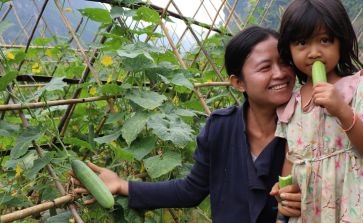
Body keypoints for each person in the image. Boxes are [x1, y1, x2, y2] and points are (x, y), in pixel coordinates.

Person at [72, 25, 301, 222]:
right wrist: (124, 186)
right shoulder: (220, 128)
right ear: (238, 82)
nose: (280, 73)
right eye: (265, 67)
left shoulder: (310, 126)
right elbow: (191, 191)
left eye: (284, 63)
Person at [274, 0, 363, 222]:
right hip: (308, 210)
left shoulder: (361, 88)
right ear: (288, 48)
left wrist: (342, 110)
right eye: (301, 42)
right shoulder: (291, 104)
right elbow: (291, 158)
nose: (314, 52)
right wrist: (284, 198)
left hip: (349, 204)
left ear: (341, 43)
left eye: (325, 40)